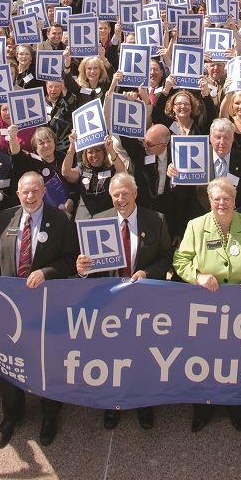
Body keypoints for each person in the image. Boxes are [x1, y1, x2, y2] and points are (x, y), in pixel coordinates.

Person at [0, 170, 78, 449]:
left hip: (46, 305)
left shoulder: (61, 220)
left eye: (36, 191)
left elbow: (70, 260)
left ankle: (49, 415)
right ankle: (11, 415)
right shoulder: (8, 217)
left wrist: (47, 272)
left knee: (46, 361)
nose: (30, 196)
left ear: (44, 192)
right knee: (11, 360)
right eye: (25, 192)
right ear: (19, 193)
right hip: (11, 306)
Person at [173, 176, 241, 432]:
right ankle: (203, 409)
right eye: (216, 199)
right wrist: (198, 276)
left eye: (227, 198)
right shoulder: (195, 226)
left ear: (235, 200)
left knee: (237, 359)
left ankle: (236, 408)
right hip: (207, 309)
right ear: (209, 201)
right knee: (204, 359)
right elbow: (180, 260)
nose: (222, 203)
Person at [76, 173, 172, 430]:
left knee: (143, 354)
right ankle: (113, 403)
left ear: (135, 193)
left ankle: (144, 403)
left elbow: (165, 257)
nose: (120, 199)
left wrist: (147, 273)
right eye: (116, 195)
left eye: (125, 193)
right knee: (112, 355)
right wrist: (82, 269)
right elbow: (90, 269)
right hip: (111, 304)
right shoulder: (98, 221)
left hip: (143, 302)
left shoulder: (156, 220)